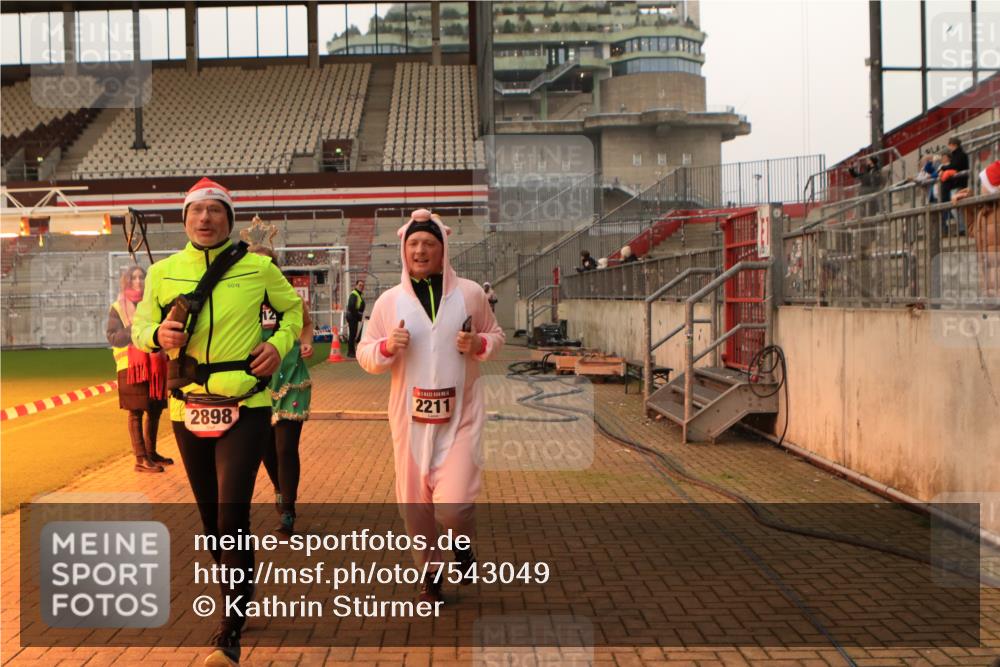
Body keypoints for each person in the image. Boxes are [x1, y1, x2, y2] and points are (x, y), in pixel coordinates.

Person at [131, 178, 303, 667]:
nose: (205, 218)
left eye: (214, 210)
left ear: (229, 219)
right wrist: (157, 334)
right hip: (188, 407)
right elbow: (139, 326)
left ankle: (230, 626)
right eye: (196, 211)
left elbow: (293, 312)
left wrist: (278, 345)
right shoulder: (163, 272)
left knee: (231, 516)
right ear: (185, 219)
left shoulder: (258, 267)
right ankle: (240, 584)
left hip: (245, 405)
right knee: (211, 523)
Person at [357, 209, 504, 605]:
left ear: (443, 250)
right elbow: (365, 353)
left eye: (428, 243)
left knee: (454, 507)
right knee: (415, 507)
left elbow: (495, 335)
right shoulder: (390, 301)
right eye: (413, 244)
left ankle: (462, 544)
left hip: (461, 417)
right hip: (410, 421)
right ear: (404, 250)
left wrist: (479, 344)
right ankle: (431, 575)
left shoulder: (470, 294)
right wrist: (387, 347)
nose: (420, 251)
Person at [246, 231, 314, 536]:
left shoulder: (288, 297)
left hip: (290, 380)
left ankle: (288, 509)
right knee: (266, 449)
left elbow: (306, 323)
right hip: (256, 382)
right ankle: (279, 488)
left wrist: (306, 342)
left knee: (286, 447)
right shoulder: (241, 301)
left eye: (267, 265)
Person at [106, 265, 170, 473]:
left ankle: (151, 452)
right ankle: (140, 458)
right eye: (133, 278)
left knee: (155, 409)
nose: (138, 281)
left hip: (155, 364)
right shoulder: (118, 307)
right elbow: (113, 338)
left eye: (141, 277)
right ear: (126, 281)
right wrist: (134, 327)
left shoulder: (153, 304)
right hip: (130, 366)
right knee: (136, 412)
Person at [345, 279, 366, 357]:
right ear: (356, 286)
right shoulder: (354, 294)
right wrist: (357, 316)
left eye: (362, 286)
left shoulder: (358, 294)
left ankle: (351, 352)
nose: (361, 287)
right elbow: (351, 306)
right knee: (352, 335)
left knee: (353, 334)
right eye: (360, 285)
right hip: (352, 317)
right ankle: (351, 352)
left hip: (353, 317)